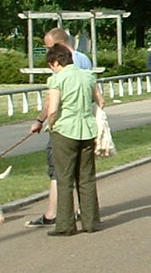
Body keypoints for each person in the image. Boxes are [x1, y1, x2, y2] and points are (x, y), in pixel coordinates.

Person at [27, 28, 101, 228]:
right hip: (86, 129)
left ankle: (64, 224)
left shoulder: (57, 77)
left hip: (64, 130)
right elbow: (101, 101)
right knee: (86, 178)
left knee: (64, 178)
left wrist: (45, 123)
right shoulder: (86, 69)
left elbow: (52, 107)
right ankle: (91, 222)